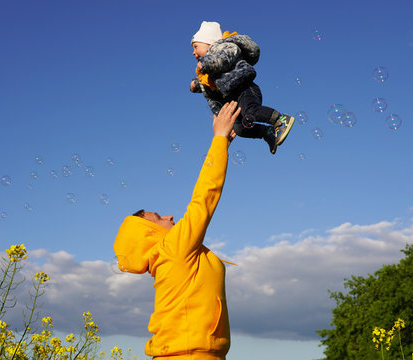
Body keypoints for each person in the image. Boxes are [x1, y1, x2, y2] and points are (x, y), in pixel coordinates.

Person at [113, 101, 241, 360]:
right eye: (158, 217)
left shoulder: (172, 254)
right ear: (149, 233)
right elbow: (204, 198)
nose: (169, 215)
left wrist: (223, 142)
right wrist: (218, 139)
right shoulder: (172, 249)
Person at [190, 21, 295, 155]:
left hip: (245, 89)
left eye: (196, 46)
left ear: (209, 43)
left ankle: (281, 119)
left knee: (251, 110)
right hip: (234, 101)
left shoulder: (224, 48)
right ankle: (266, 132)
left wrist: (207, 62)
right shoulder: (206, 70)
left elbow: (223, 59)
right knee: (239, 129)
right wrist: (196, 85)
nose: (194, 53)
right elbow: (209, 82)